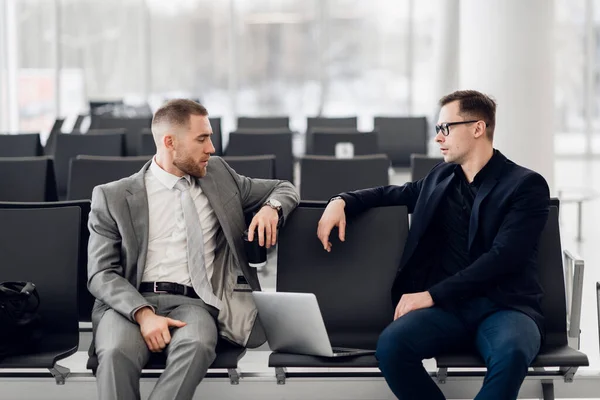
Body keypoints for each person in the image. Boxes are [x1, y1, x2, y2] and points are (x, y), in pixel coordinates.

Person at [317, 90, 550, 400]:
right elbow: (391, 194)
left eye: (446, 128)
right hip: (450, 311)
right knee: (391, 347)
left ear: (477, 128)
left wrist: (430, 295)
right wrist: (341, 201)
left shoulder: (525, 185)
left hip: (505, 307)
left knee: (512, 353)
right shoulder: (440, 178)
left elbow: (504, 257)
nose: (438, 138)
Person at [87, 99, 300, 400]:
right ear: (170, 142)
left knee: (198, 344)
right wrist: (144, 314)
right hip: (127, 304)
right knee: (114, 352)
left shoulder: (219, 175)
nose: (211, 148)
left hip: (194, 303)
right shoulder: (113, 196)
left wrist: (271, 209)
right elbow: (101, 274)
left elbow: (285, 188)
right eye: (202, 139)